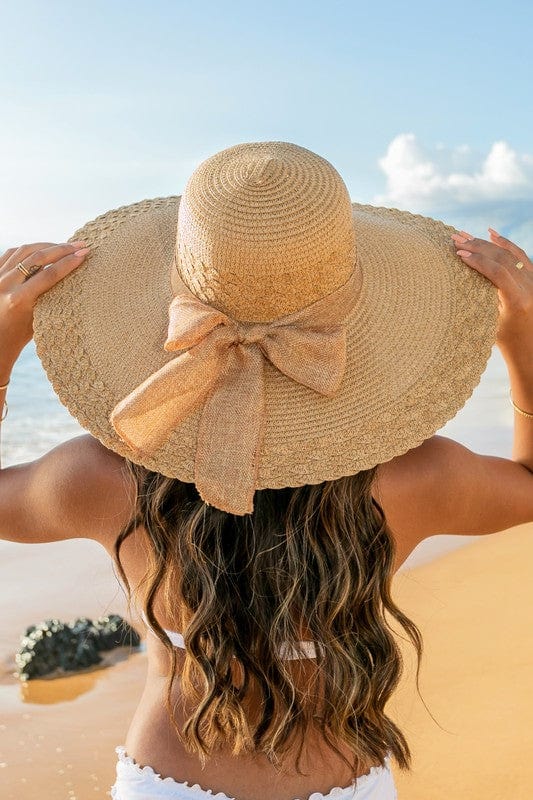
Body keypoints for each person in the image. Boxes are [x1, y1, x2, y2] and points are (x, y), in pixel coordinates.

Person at [1, 141, 532, 800]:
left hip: (165, 781)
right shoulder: (416, 480)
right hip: (347, 779)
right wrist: (519, 334)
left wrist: (3, 343)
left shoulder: (100, 478)